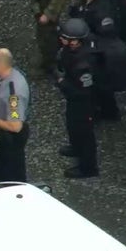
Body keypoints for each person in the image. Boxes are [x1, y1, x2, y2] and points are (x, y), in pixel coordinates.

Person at [69, 0, 121, 121]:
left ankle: (108, 112)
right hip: (89, 50)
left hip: (99, 55)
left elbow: (106, 37)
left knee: (101, 86)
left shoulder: (103, 12)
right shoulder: (86, 2)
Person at [55, 18, 99, 178]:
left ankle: (88, 168)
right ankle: (76, 147)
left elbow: (82, 91)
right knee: (73, 126)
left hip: (83, 103)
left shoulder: (83, 64)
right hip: (74, 101)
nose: (61, 39)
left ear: (74, 42)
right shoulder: (72, 51)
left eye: (65, 38)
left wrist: (62, 82)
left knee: (85, 133)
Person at [0, 48, 30, 182]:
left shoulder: (13, 93)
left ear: (0, 65)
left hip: (11, 138)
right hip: (7, 133)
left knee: (9, 173)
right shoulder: (12, 77)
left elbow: (15, 126)